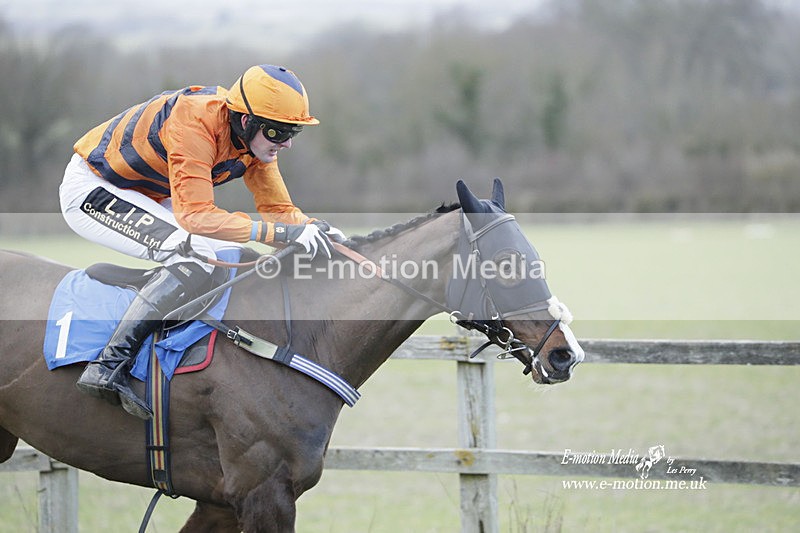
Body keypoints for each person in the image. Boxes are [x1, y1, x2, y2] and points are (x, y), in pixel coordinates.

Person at [59, 64, 344, 419]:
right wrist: (283, 234)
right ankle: (107, 366)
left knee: (224, 254)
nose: (285, 142)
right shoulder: (194, 121)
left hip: (148, 195)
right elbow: (195, 217)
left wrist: (320, 233)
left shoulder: (254, 144)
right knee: (193, 258)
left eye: (294, 132)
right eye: (278, 131)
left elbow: (279, 211)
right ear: (245, 121)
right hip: (95, 189)